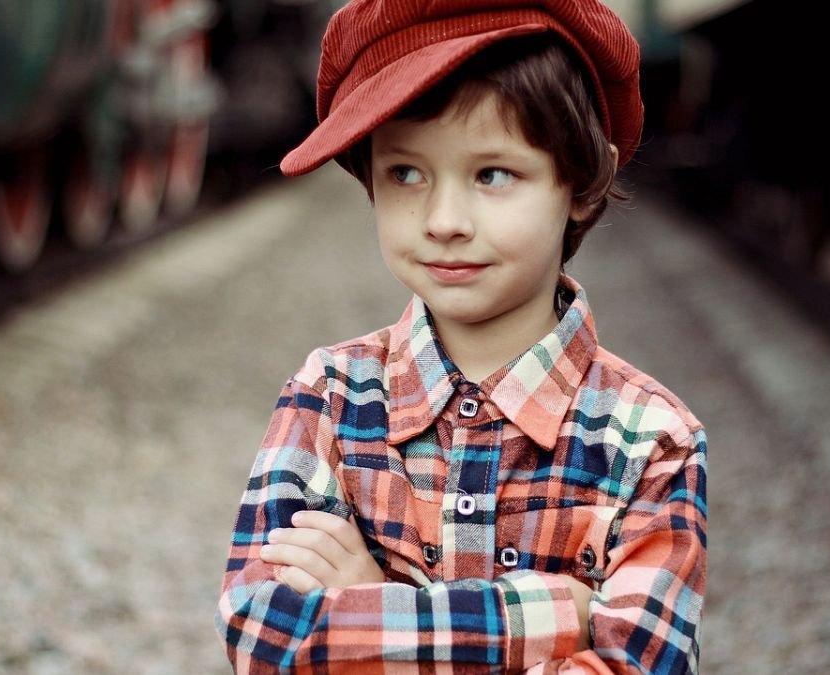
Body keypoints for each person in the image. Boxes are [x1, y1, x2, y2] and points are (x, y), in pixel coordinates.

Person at [216, 1, 707, 672]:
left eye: (492, 174)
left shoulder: (650, 439)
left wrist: (371, 600)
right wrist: (563, 612)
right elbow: (263, 637)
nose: (444, 219)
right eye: (407, 173)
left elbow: (644, 662)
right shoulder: (327, 396)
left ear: (584, 184)